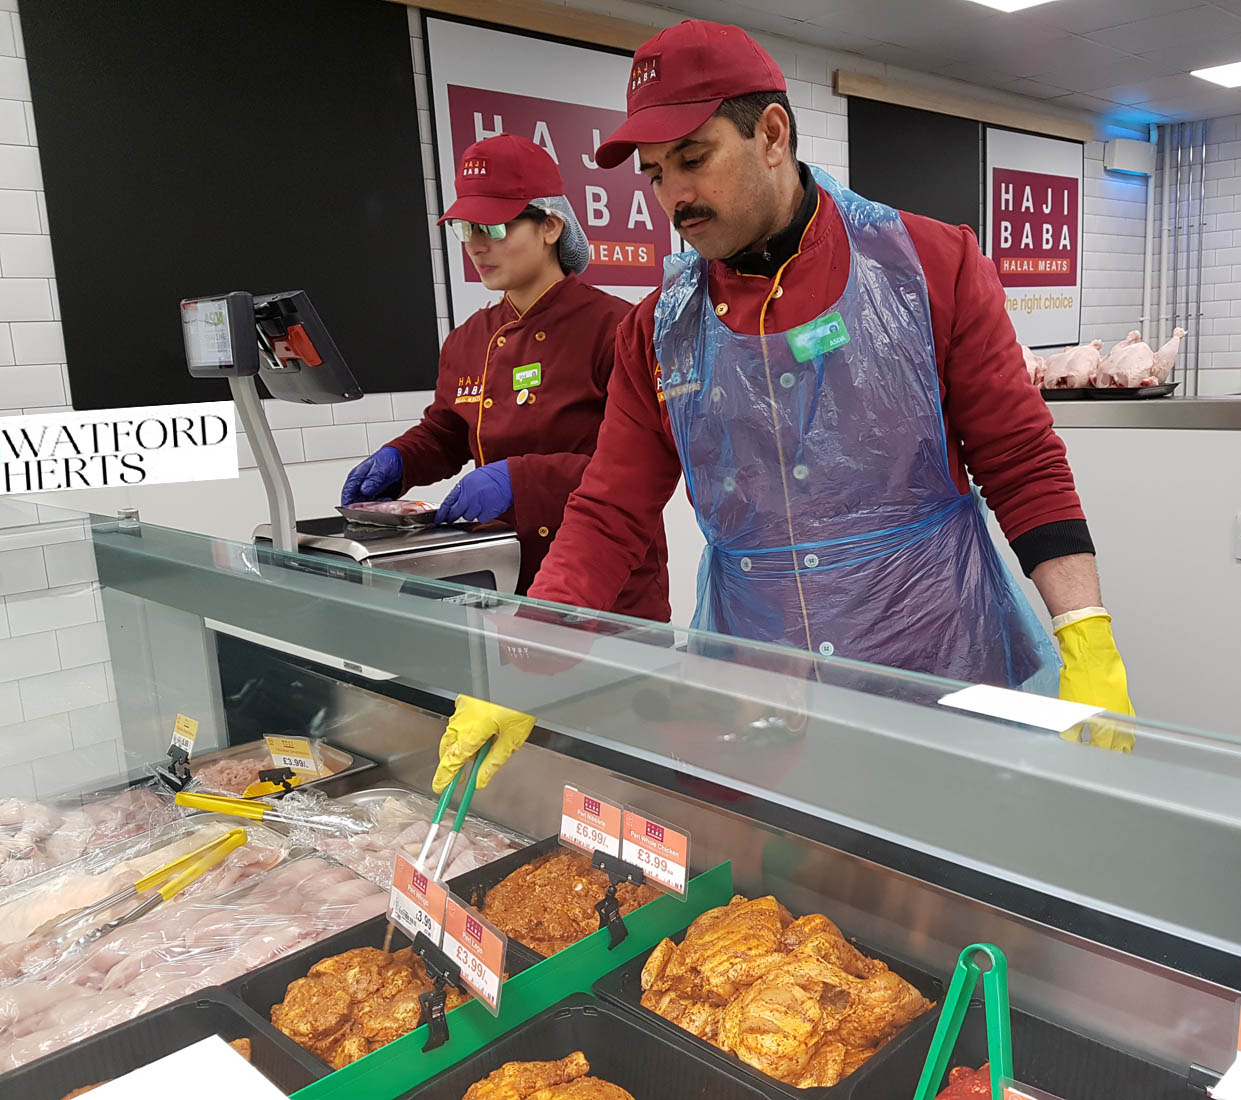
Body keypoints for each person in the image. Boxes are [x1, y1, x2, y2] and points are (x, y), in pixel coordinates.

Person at [521, 20, 1133, 735]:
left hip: (937, 665)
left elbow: (1020, 462)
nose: (673, 197)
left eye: (693, 158)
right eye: (655, 173)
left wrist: (1085, 633)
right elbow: (609, 510)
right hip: (761, 690)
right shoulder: (657, 330)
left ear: (772, 135)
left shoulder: (928, 267)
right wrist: (527, 663)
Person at [341, 133, 668, 616]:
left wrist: (521, 478)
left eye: (492, 229)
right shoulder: (469, 338)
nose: (475, 246)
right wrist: (400, 460)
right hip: (499, 573)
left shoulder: (617, 328)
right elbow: (449, 430)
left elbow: (640, 466)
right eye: (465, 230)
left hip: (608, 588)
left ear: (551, 226)